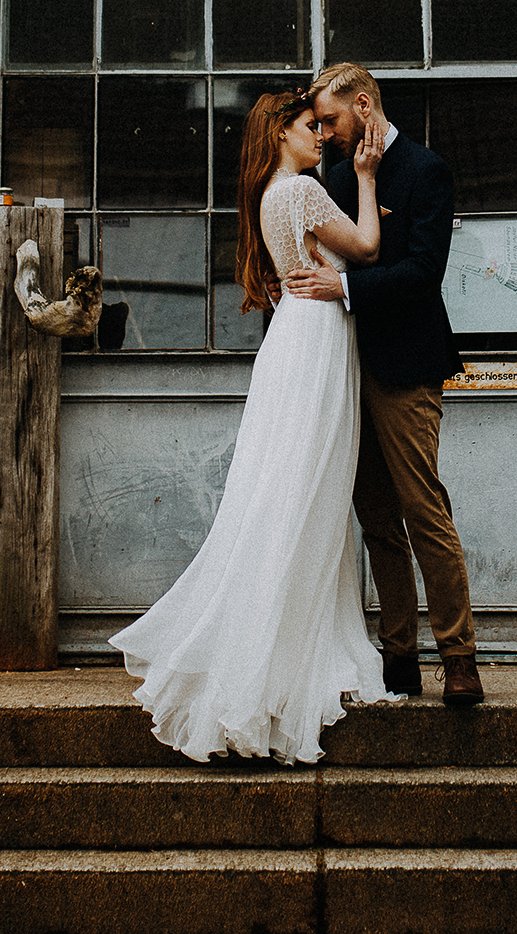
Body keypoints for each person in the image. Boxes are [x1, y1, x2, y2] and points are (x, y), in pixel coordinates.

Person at [110, 89, 399, 762]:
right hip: (318, 334)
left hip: (294, 338)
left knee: (287, 491)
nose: (321, 136)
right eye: (309, 127)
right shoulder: (299, 190)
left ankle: (283, 639)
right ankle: (287, 652)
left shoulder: (271, 196)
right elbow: (365, 245)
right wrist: (362, 179)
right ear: (280, 134)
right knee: (308, 492)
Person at [280, 62, 481, 708]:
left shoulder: (427, 170)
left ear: (363, 106)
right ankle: (400, 656)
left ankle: (459, 655)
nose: (324, 130)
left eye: (331, 118)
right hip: (341, 370)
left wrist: (343, 286)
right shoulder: (334, 177)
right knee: (375, 520)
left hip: (407, 365)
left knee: (424, 509)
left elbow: (423, 271)